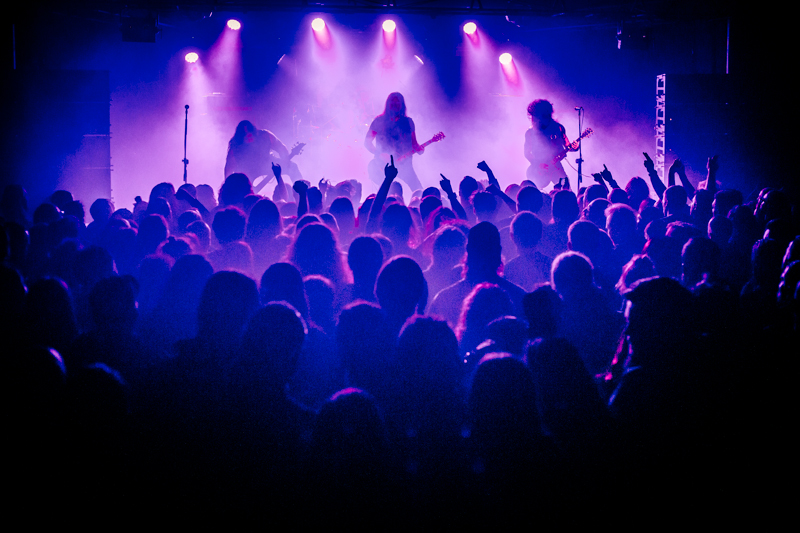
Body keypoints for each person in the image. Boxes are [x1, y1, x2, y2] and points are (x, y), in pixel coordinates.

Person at [365, 92, 423, 192]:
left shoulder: (408, 122)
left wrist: (420, 149)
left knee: (419, 191)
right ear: (388, 104)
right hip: (385, 166)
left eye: (397, 103)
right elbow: (367, 142)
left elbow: (415, 145)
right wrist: (379, 154)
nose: (395, 105)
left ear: (402, 105)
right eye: (392, 102)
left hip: (406, 165)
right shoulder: (379, 121)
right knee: (388, 192)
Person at [224, 120, 303, 187]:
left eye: (250, 132)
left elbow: (281, 148)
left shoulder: (265, 136)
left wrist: (285, 161)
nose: (249, 135)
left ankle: (302, 193)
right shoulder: (235, 147)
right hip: (247, 171)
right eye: (245, 134)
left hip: (267, 162)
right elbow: (228, 169)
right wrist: (228, 187)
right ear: (240, 138)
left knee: (293, 167)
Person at [524, 99, 574, 190]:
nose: (533, 119)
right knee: (534, 194)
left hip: (556, 166)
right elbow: (526, 153)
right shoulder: (530, 133)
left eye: (535, 116)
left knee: (566, 191)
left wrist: (575, 147)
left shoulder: (559, 128)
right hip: (538, 169)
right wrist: (538, 164)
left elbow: (568, 145)